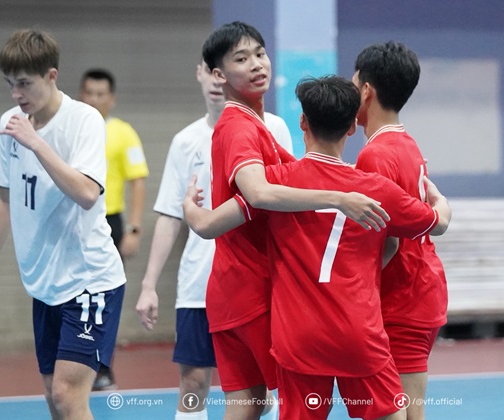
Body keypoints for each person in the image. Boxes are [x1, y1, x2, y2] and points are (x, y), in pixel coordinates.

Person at [182, 75, 451, 420]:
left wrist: (189, 205)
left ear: (302, 122)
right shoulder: (376, 189)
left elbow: (207, 226)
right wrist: (440, 201)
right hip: (358, 329)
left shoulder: (276, 184)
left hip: (298, 335)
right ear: (352, 127)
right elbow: (436, 223)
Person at [199, 21, 390, 418]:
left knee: (247, 405)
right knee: (299, 406)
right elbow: (259, 193)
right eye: (241, 59)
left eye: (259, 54)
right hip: (254, 292)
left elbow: (306, 174)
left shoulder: (254, 126)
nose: (256, 64)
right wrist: (340, 198)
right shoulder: (239, 128)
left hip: (230, 290)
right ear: (219, 75)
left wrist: (197, 218)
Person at [0, 29, 126, 420]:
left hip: (89, 280)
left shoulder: (84, 120)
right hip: (45, 285)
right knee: (51, 395)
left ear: (51, 76)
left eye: (24, 83)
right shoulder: (10, 123)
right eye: (9, 83)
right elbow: (5, 199)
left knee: (67, 396)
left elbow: (87, 193)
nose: (16, 94)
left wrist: (37, 143)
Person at [135, 58, 292, 420]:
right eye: (210, 71)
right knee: (192, 383)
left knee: (264, 389)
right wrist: (148, 285)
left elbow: (284, 198)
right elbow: (171, 215)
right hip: (200, 284)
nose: (216, 81)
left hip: (257, 282)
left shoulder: (274, 128)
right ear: (203, 74)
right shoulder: (185, 141)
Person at [352, 41, 449, 420]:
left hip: (402, 297)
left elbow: (386, 240)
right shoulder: (407, 144)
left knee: (399, 413)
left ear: (366, 91)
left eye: (352, 82)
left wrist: (351, 291)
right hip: (420, 291)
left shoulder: (374, 154)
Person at [80, 68, 149, 391]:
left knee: (104, 298)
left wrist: (133, 230)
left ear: (112, 99)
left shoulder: (124, 133)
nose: (94, 99)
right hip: (75, 222)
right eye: (89, 93)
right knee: (75, 297)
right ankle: (77, 364)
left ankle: (102, 368)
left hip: (110, 222)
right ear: (81, 95)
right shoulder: (72, 130)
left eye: (100, 94)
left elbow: (138, 181)